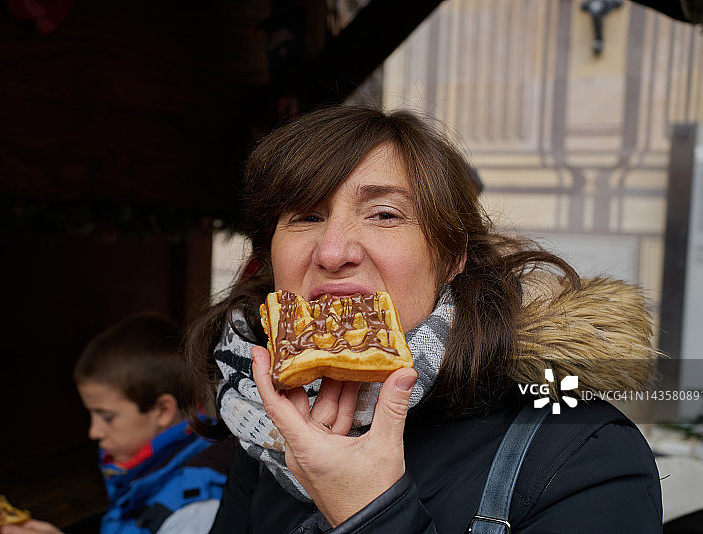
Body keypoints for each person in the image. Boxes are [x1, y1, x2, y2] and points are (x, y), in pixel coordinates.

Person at [184, 106, 663, 533]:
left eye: (385, 215)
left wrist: (371, 511)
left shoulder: (583, 452)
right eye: (306, 216)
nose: (332, 252)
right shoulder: (264, 425)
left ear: (451, 257)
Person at [3, 314, 233, 534]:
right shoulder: (148, 466)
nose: (93, 432)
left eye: (107, 417)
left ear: (162, 410)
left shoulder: (194, 508)